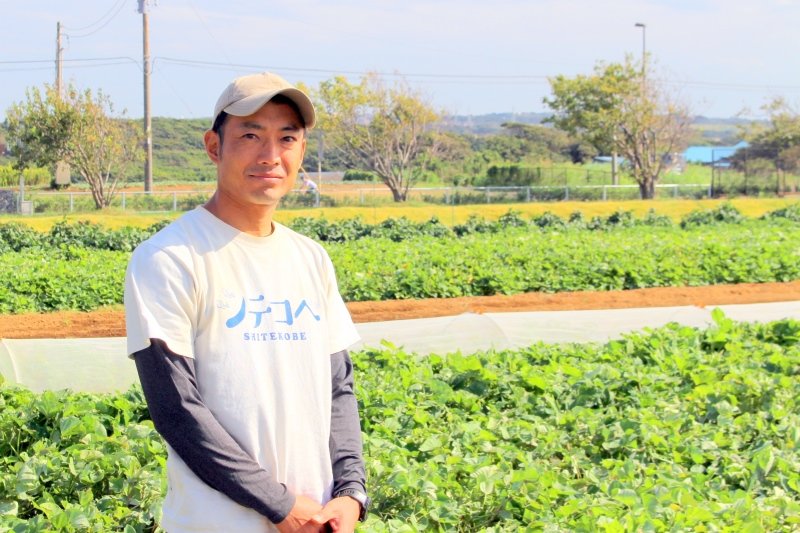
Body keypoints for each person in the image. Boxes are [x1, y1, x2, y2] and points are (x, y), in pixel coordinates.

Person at [124, 72, 369, 533]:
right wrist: (280, 505)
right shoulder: (169, 258)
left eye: (287, 138)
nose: (270, 155)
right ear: (214, 146)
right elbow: (176, 409)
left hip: (316, 521)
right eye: (251, 135)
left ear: (301, 151)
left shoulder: (310, 258)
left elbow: (338, 389)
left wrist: (351, 493)